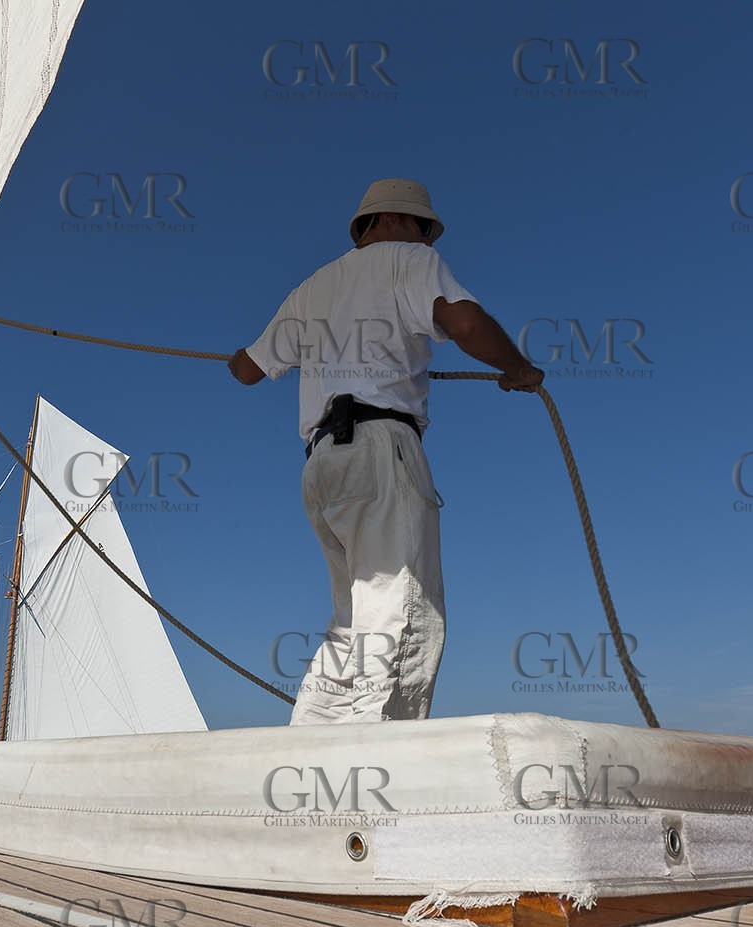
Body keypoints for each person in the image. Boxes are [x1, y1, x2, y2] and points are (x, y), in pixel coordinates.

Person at [229, 178, 544, 725]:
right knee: (402, 609)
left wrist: (237, 355)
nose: (426, 240)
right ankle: (374, 774)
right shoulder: (408, 260)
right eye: (424, 229)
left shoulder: (310, 288)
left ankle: (312, 754)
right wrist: (517, 369)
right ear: (400, 221)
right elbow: (464, 322)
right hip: (380, 447)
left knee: (355, 618)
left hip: (323, 465)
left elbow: (248, 371)